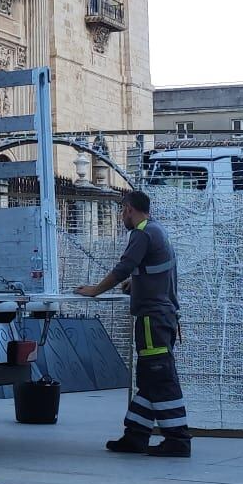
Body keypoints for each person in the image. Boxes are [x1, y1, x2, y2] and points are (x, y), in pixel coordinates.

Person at [75, 189, 190, 456]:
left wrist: (95, 289)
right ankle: (135, 436)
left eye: (121, 211)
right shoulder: (157, 230)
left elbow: (123, 268)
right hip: (162, 317)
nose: (120, 218)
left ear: (128, 209)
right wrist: (136, 283)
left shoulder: (141, 233)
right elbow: (154, 270)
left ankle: (178, 440)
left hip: (152, 319)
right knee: (149, 377)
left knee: (160, 377)